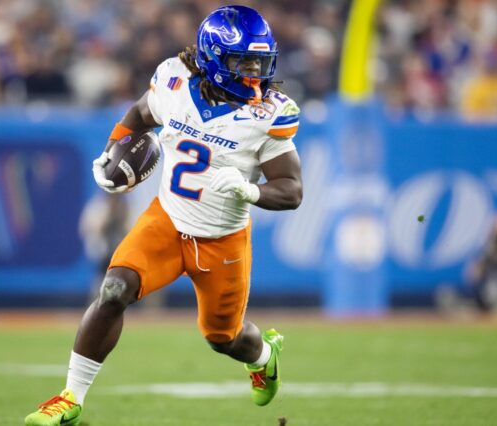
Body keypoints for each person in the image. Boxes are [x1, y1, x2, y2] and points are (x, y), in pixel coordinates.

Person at [25, 5, 303, 425]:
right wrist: (112, 149)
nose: (254, 73)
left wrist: (251, 189)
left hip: (222, 238)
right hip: (168, 222)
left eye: (260, 62)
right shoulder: (175, 81)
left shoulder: (267, 116)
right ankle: (70, 398)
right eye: (242, 61)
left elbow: (292, 190)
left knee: (223, 337)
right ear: (213, 59)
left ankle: (265, 357)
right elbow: (139, 115)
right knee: (115, 288)